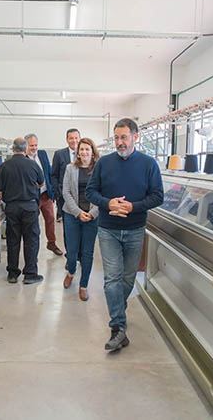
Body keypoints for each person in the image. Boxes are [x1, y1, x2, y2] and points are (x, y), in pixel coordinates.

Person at [86, 118, 164, 351]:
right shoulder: (104, 163)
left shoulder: (149, 164)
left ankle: (118, 310)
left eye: (124, 137)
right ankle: (118, 327)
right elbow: (91, 191)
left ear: (135, 137)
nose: (120, 142)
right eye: (117, 138)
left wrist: (133, 207)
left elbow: (158, 196)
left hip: (135, 229)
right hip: (108, 229)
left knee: (128, 278)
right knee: (112, 278)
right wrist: (108, 203)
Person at [0, 138, 46, 284]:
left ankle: (12, 273)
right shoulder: (33, 165)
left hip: (12, 208)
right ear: (25, 149)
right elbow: (41, 183)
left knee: (13, 240)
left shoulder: (4, 166)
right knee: (31, 240)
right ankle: (30, 274)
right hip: (30, 207)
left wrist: (10, 199)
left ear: (12, 149)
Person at [62, 137, 100, 301]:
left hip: (92, 216)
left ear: (93, 152)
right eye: (81, 149)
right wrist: (78, 212)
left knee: (87, 253)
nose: (84, 152)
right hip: (72, 215)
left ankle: (83, 285)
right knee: (71, 252)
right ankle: (71, 272)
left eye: (87, 149)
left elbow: (103, 193)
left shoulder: (99, 170)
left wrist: (92, 213)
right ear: (77, 152)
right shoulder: (70, 168)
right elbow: (66, 192)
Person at [24, 133, 63, 256]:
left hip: (46, 195)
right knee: (33, 225)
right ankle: (33, 251)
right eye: (31, 146)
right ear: (26, 146)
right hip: (32, 198)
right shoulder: (23, 159)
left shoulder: (42, 154)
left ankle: (51, 243)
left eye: (36, 145)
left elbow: (49, 172)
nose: (34, 148)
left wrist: (53, 190)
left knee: (50, 219)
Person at [51, 128, 81, 223]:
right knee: (67, 224)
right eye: (71, 138)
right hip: (64, 196)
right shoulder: (59, 154)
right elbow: (54, 175)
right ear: (67, 140)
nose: (74, 141)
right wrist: (58, 193)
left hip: (82, 196)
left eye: (76, 138)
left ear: (80, 139)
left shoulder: (85, 153)